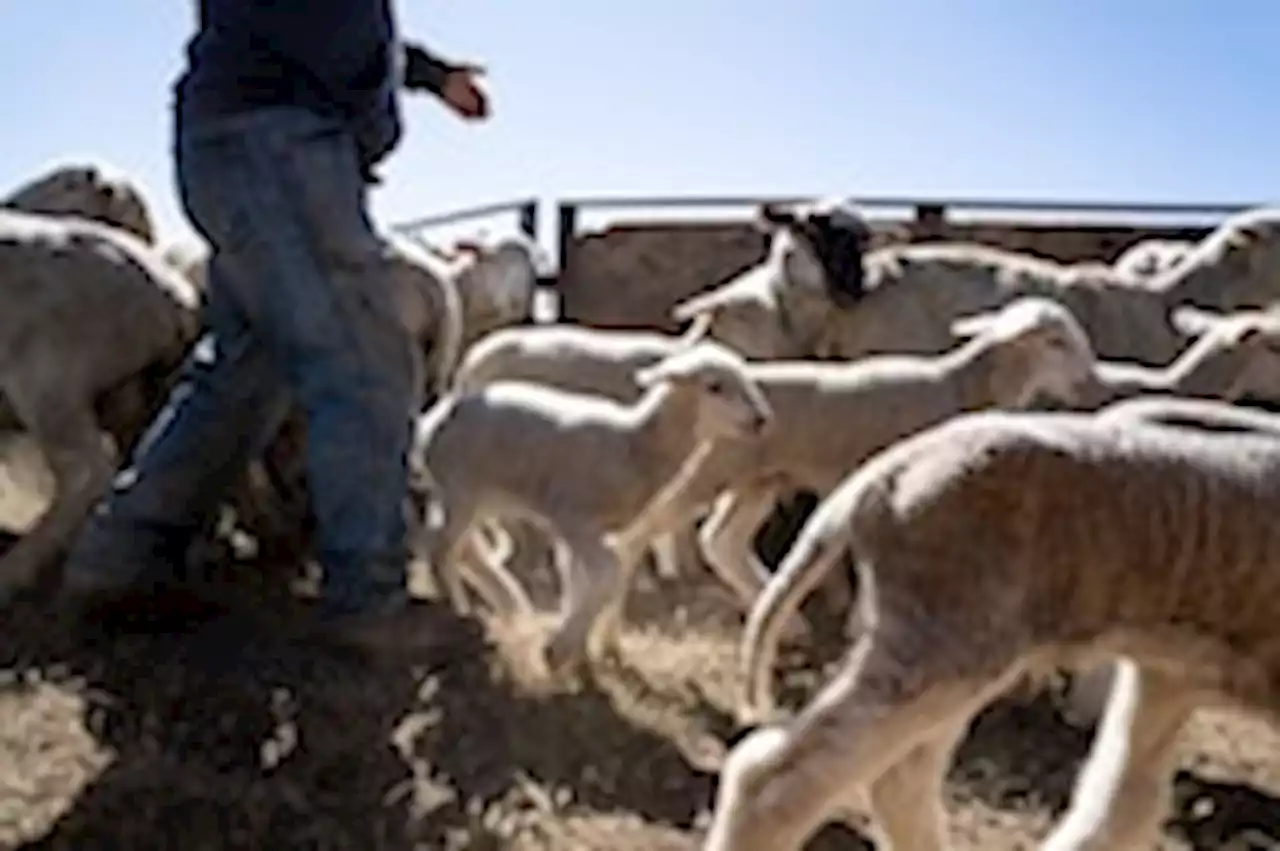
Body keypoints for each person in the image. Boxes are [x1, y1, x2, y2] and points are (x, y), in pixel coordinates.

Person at [51, 2, 491, 651]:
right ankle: (368, 600)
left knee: (245, 373)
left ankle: (122, 560)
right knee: (364, 360)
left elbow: (341, 29)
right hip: (280, 145)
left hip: (243, 145)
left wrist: (429, 73)